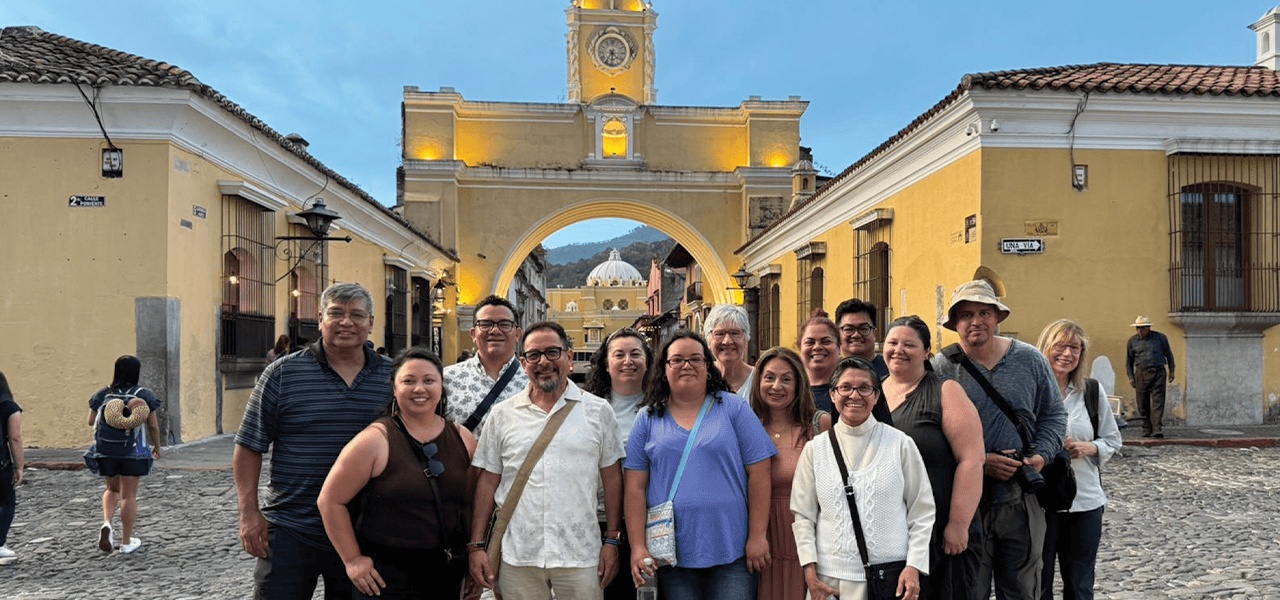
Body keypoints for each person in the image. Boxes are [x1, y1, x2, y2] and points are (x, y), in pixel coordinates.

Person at [235, 282, 393, 600]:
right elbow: (249, 446)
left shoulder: (392, 378)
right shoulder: (282, 374)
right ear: (320, 318)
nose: (346, 322)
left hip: (365, 530)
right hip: (291, 527)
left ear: (371, 323)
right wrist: (249, 515)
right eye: (336, 313)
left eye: (357, 315)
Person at [929, 280, 1066, 600]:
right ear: (955, 324)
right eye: (965, 315)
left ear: (997, 317)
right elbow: (930, 432)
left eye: (983, 312)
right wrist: (978, 461)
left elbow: (1054, 416)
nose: (975, 321)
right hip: (965, 504)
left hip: (1022, 497)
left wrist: (1042, 456)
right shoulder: (941, 367)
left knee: (1022, 589)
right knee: (968, 590)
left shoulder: (1030, 360)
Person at [468, 321, 625, 600]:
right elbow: (488, 481)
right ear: (523, 362)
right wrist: (477, 545)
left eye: (552, 352)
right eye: (533, 355)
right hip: (519, 556)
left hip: (580, 554)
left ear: (569, 357)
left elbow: (612, 478)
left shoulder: (599, 412)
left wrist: (612, 539)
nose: (544, 362)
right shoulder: (503, 415)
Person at [626, 331, 776, 600]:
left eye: (696, 359)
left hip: (733, 549)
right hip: (672, 555)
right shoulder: (647, 418)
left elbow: (760, 473)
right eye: (678, 360)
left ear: (708, 367)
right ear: (663, 369)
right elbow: (634, 488)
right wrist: (638, 547)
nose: (687, 365)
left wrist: (757, 536)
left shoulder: (734, 408)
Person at [318, 347, 477, 599]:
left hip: (446, 573)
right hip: (387, 578)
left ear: (441, 387)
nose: (419, 389)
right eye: (408, 381)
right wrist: (353, 560)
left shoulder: (463, 438)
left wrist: (474, 555)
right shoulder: (374, 441)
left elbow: (470, 504)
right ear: (394, 389)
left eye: (429, 380)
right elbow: (330, 501)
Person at [791, 357, 935, 600]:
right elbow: (803, 517)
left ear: (876, 396)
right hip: (829, 583)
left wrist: (914, 567)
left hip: (890, 579)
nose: (854, 395)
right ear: (833, 395)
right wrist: (810, 573)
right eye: (845, 387)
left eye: (864, 388)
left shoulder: (900, 445)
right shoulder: (815, 450)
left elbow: (922, 512)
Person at [882, 316, 985, 600]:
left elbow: (972, 459)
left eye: (909, 344)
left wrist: (958, 524)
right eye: (892, 342)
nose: (898, 350)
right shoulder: (874, 391)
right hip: (892, 529)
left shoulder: (945, 390)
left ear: (927, 352)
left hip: (941, 527)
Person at [1035, 320, 1122, 600]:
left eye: (1075, 347)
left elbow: (1112, 440)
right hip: (1039, 504)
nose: (1068, 353)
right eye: (1060, 346)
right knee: (1038, 583)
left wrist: (1089, 448)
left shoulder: (1091, 392)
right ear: (1045, 348)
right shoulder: (1030, 393)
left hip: (1085, 503)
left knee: (1080, 586)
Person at [749, 347, 830, 600]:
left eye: (786, 379)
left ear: (798, 384)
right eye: (769, 377)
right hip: (757, 545)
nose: (776, 386)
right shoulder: (745, 427)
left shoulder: (818, 425)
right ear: (758, 382)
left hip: (806, 545)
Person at [584, 327, 655, 600]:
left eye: (636, 354)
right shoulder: (589, 408)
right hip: (600, 522)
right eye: (619, 355)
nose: (628, 361)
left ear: (648, 362)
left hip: (651, 522)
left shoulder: (662, 406)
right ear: (606, 363)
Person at [86, 355, 162, 555]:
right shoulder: (143, 394)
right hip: (133, 452)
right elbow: (153, 425)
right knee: (128, 495)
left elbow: (90, 420)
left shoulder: (104, 393)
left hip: (106, 451)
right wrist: (157, 446)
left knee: (112, 490)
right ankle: (126, 541)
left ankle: (107, 524)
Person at [444, 295, 530, 436]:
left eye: (504, 324)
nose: (495, 331)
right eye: (485, 324)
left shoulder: (532, 380)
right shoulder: (447, 378)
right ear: (473, 334)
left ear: (517, 334)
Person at [800, 309, 892, 424]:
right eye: (810, 342)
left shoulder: (862, 389)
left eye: (826, 342)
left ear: (839, 347)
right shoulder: (792, 392)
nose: (817, 347)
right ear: (800, 347)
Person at [1124, 316, 1175, 439]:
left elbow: (1169, 354)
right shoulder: (1132, 341)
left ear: (1148, 328)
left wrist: (1172, 371)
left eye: (1142, 328)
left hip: (1158, 372)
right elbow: (1129, 360)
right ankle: (1146, 427)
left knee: (1158, 401)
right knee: (1142, 402)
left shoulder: (1161, 338)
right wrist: (1130, 377)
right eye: (1138, 328)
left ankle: (1157, 428)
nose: (1139, 331)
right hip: (1141, 373)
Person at [705, 304, 756, 398]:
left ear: (746, 339)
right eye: (720, 334)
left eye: (735, 333)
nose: (727, 341)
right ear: (708, 341)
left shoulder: (759, 380)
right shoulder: (700, 380)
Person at [1, 371, 23, 565]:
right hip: (1, 463)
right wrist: (19, 467)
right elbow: (14, 438)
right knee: (7, 502)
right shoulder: (9, 408)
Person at [835, 299, 888, 378]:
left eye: (863, 329)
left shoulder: (891, 369)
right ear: (838, 334)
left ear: (874, 333)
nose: (856, 335)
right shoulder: (829, 371)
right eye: (849, 329)